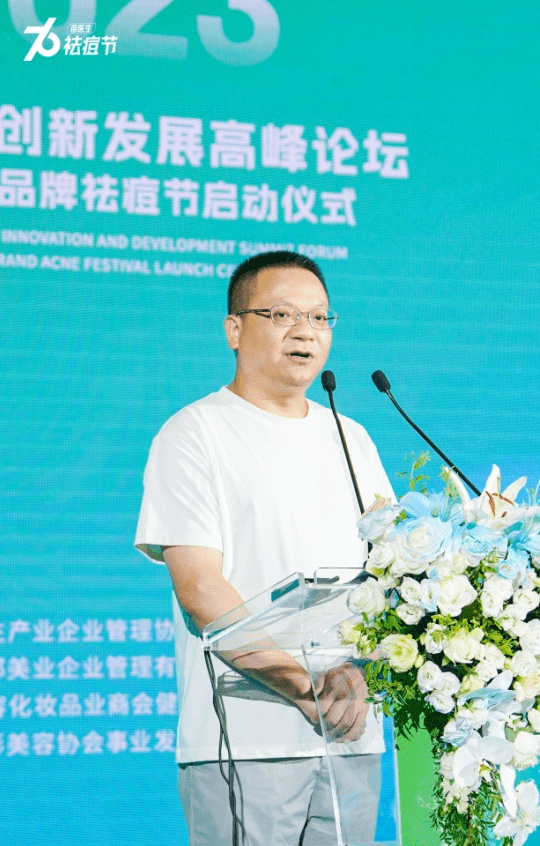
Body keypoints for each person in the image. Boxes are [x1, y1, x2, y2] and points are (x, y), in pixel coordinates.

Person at [134, 251, 394, 846]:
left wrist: (356, 675)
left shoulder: (352, 437)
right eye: (281, 314)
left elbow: (390, 574)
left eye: (320, 317)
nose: (305, 331)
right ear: (234, 329)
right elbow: (200, 588)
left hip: (352, 732)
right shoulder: (194, 433)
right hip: (246, 739)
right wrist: (305, 687)